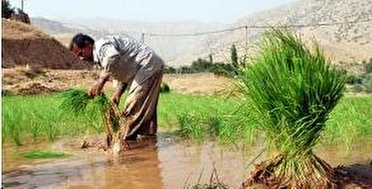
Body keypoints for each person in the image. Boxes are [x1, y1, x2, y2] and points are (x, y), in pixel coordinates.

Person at [69, 34, 164, 141]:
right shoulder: (102, 56)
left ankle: (123, 139)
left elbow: (112, 57)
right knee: (146, 106)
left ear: (88, 45)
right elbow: (124, 74)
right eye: (79, 56)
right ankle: (148, 142)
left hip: (148, 64)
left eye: (81, 53)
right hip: (146, 67)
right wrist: (117, 95)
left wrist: (100, 81)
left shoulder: (101, 46)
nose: (82, 58)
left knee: (134, 103)